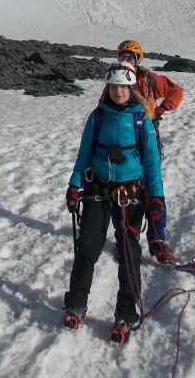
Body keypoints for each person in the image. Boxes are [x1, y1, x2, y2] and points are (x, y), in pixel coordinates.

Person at [62, 61, 165, 344]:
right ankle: (76, 303)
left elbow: (152, 162)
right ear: (107, 87)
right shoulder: (97, 117)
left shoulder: (140, 119)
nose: (118, 91)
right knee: (88, 248)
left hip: (130, 192)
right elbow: (84, 154)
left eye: (123, 87)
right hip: (97, 187)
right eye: (114, 86)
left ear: (131, 88)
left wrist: (156, 197)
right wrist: (74, 184)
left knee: (129, 254)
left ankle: (126, 313)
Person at [106, 39, 184, 262]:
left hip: (148, 139)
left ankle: (157, 238)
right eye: (122, 57)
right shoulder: (115, 79)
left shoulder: (149, 78)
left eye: (129, 57)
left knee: (151, 185)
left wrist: (160, 109)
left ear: (137, 59)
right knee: (124, 191)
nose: (125, 61)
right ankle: (126, 240)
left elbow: (176, 91)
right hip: (124, 144)